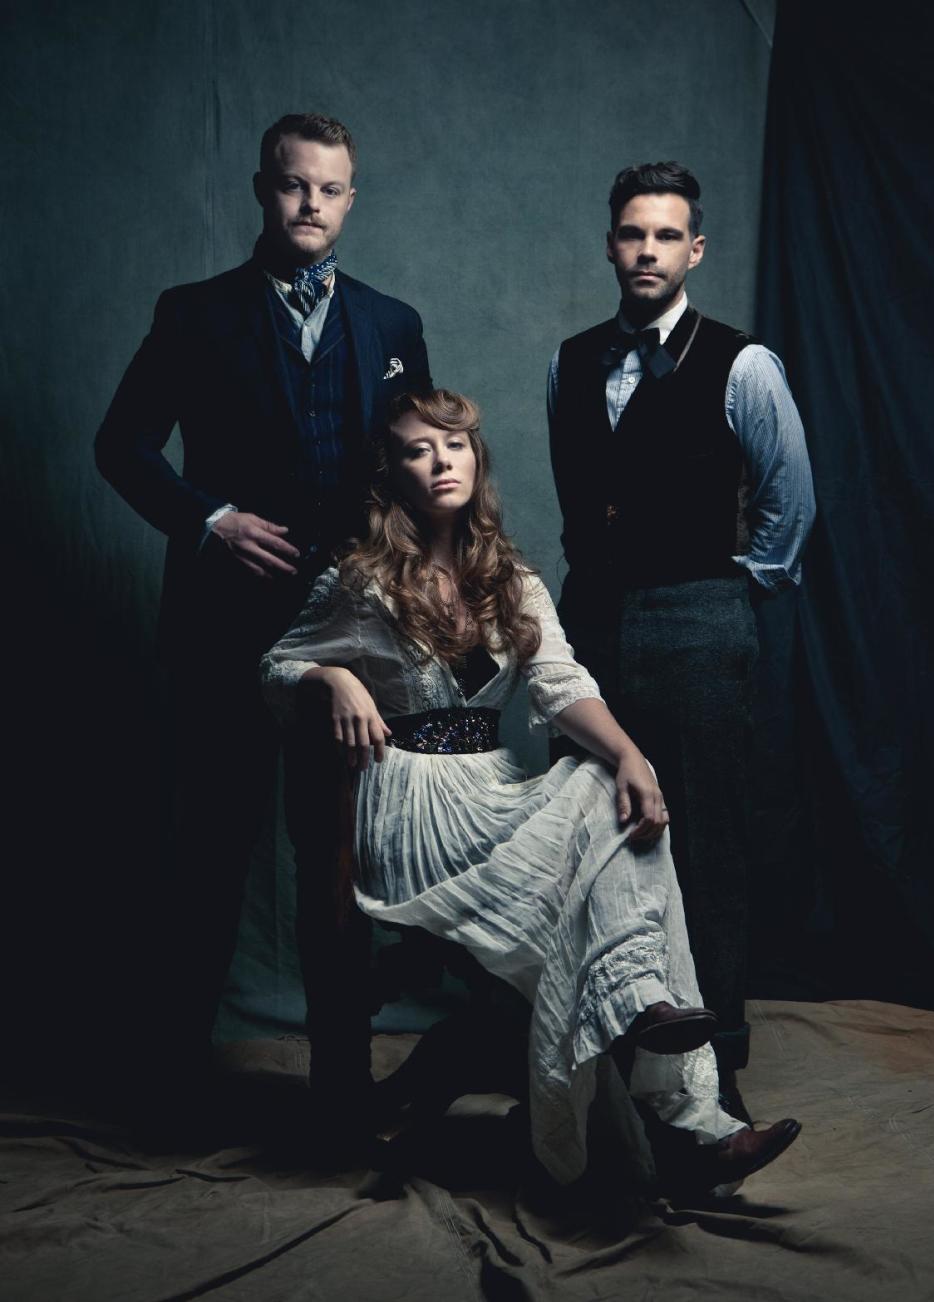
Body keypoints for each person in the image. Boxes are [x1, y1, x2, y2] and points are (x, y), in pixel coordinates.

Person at [260, 388, 801, 1195]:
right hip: (409, 803)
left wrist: (632, 757)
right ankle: (670, 1079)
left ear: (478, 461)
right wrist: (330, 673)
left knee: (605, 787)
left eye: (456, 447)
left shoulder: (510, 578)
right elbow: (274, 664)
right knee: (596, 835)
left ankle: (683, 1095)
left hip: (494, 791)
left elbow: (559, 682)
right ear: (394, 474)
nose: (441, 463)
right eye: (417, 450)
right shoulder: (360, 580)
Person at [94, 113, 430, 1137]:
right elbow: (122, 446)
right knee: (208, 852)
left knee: (338, 861)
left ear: (351, 198)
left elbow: (417, 472)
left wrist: (403, 585)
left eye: (330, 189)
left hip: (349, 643)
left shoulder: (392, 323)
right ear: (262, 189)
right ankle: (170, 1090)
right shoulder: (193, 314)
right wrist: (210, 519)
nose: (311, 205)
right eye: (293, 186)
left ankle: (340, 1092)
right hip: (223, 633)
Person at [547, 162, 815, 1120]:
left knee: (701, 842)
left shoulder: (742, 363)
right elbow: (583, 499)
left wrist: (729, 589)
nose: (647, 250)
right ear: (610, 244)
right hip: (591, 624)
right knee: (589, 831)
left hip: (702, 619)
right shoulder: (568, 362)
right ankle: (604, 1059)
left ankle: (717, 1067)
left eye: (666, 236)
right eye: (631, 234)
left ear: (694, 250)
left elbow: (790, 505)